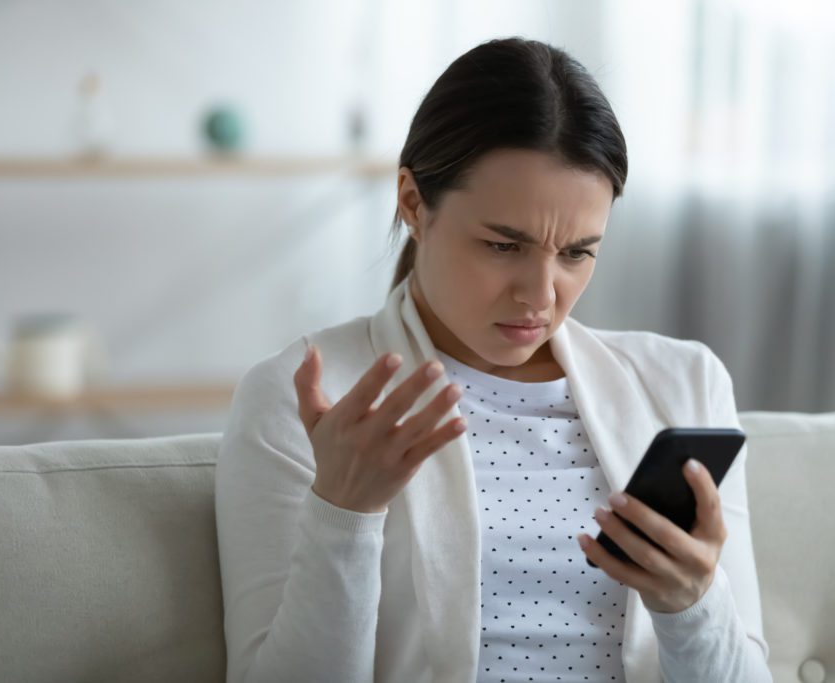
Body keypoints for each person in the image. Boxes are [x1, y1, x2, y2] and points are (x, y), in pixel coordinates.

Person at [215, 37, 772, 683]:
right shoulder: (305, 397)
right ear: (413, 202)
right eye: (504, 245)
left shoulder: (682, 383)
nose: (540, 296)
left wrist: (691, 605)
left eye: (576, 253)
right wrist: (344, 514)